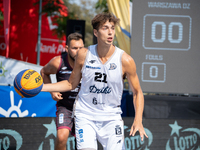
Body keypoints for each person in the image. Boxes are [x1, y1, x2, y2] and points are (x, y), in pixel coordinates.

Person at [42, 12, 148, 150]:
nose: (110, 32)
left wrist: (138, 119)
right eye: (105, 28)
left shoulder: (125, 60)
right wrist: (42, 87)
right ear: (96, 32)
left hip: (111, 118)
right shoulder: (84, 54)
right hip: (85, 115)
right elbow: (70, 84)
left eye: (112, 28)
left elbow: (137, 92)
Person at [40, 32, 84, 150]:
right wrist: (52, 91)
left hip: (85, 108)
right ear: (67, 48)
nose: (79, 51)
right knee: (61, 137)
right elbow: (43, 72)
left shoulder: (89, 63)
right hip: (65, 107)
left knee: (83, 144)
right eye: (75, 48)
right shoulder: (58, 62)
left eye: (81, 48)